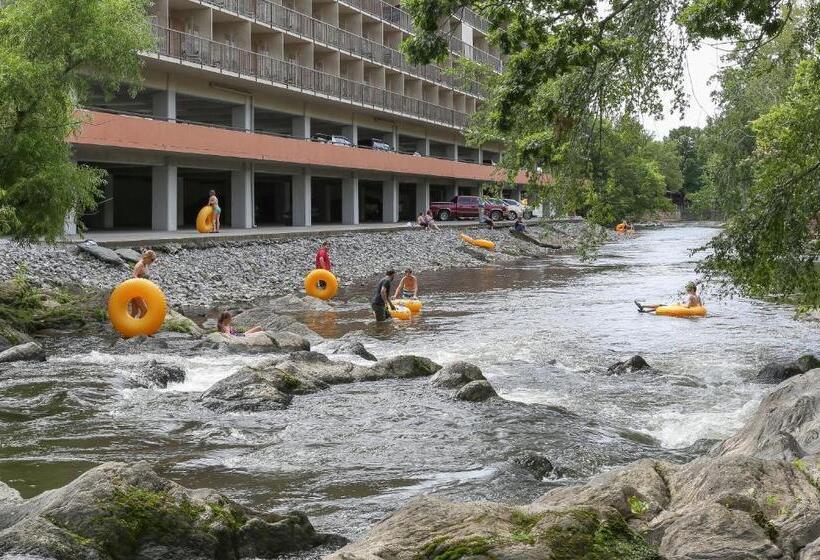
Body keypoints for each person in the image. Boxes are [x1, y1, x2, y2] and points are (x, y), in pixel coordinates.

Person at [635, 282, 702, 313]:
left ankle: (643, 306)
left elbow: (688, 306)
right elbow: (701, 306)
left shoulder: (690, 296)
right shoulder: (698, 296)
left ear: (692, 290)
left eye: (688, 290)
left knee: (660, 305)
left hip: (682, 309)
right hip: (693, 309)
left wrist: (680, 304)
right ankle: (645, 311)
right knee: (660, 307)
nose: (687, 291)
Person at [130, 250, 156, 318]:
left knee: (135, 312)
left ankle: (129, 327)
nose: (152, 262)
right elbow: (133, 276)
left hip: (141, 290)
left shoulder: (146, 265)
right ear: (147, 257)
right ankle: (139, 326)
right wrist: (141, 283)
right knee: (144, 310)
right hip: (136, 290)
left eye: (154, 260)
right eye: (152, 259)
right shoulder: (140, 265)